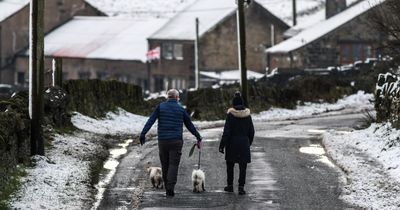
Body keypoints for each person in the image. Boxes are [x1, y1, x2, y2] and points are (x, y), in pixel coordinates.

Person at [140, 89, 202, 197]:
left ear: (167, 97)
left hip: (163, 141)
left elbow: (151, 120)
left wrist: (143, 133)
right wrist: (198, 137)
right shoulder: (180, 109)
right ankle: (170, 188)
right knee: (173, 165)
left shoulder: (160, 107)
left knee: (165, 164)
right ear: (177, 98)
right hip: (176, 141)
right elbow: (189, 125)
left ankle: (167, 187)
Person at [219, 91, 255, 195]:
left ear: (233, 104)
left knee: (230, 165)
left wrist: (222, 145)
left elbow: (226, 132)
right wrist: (248, 142)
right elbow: (251, 131)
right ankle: (241, 187)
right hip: (244, 143)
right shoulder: (248, 116)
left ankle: (230, 186)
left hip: (232, 143)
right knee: (243, 167)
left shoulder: (230, 115)